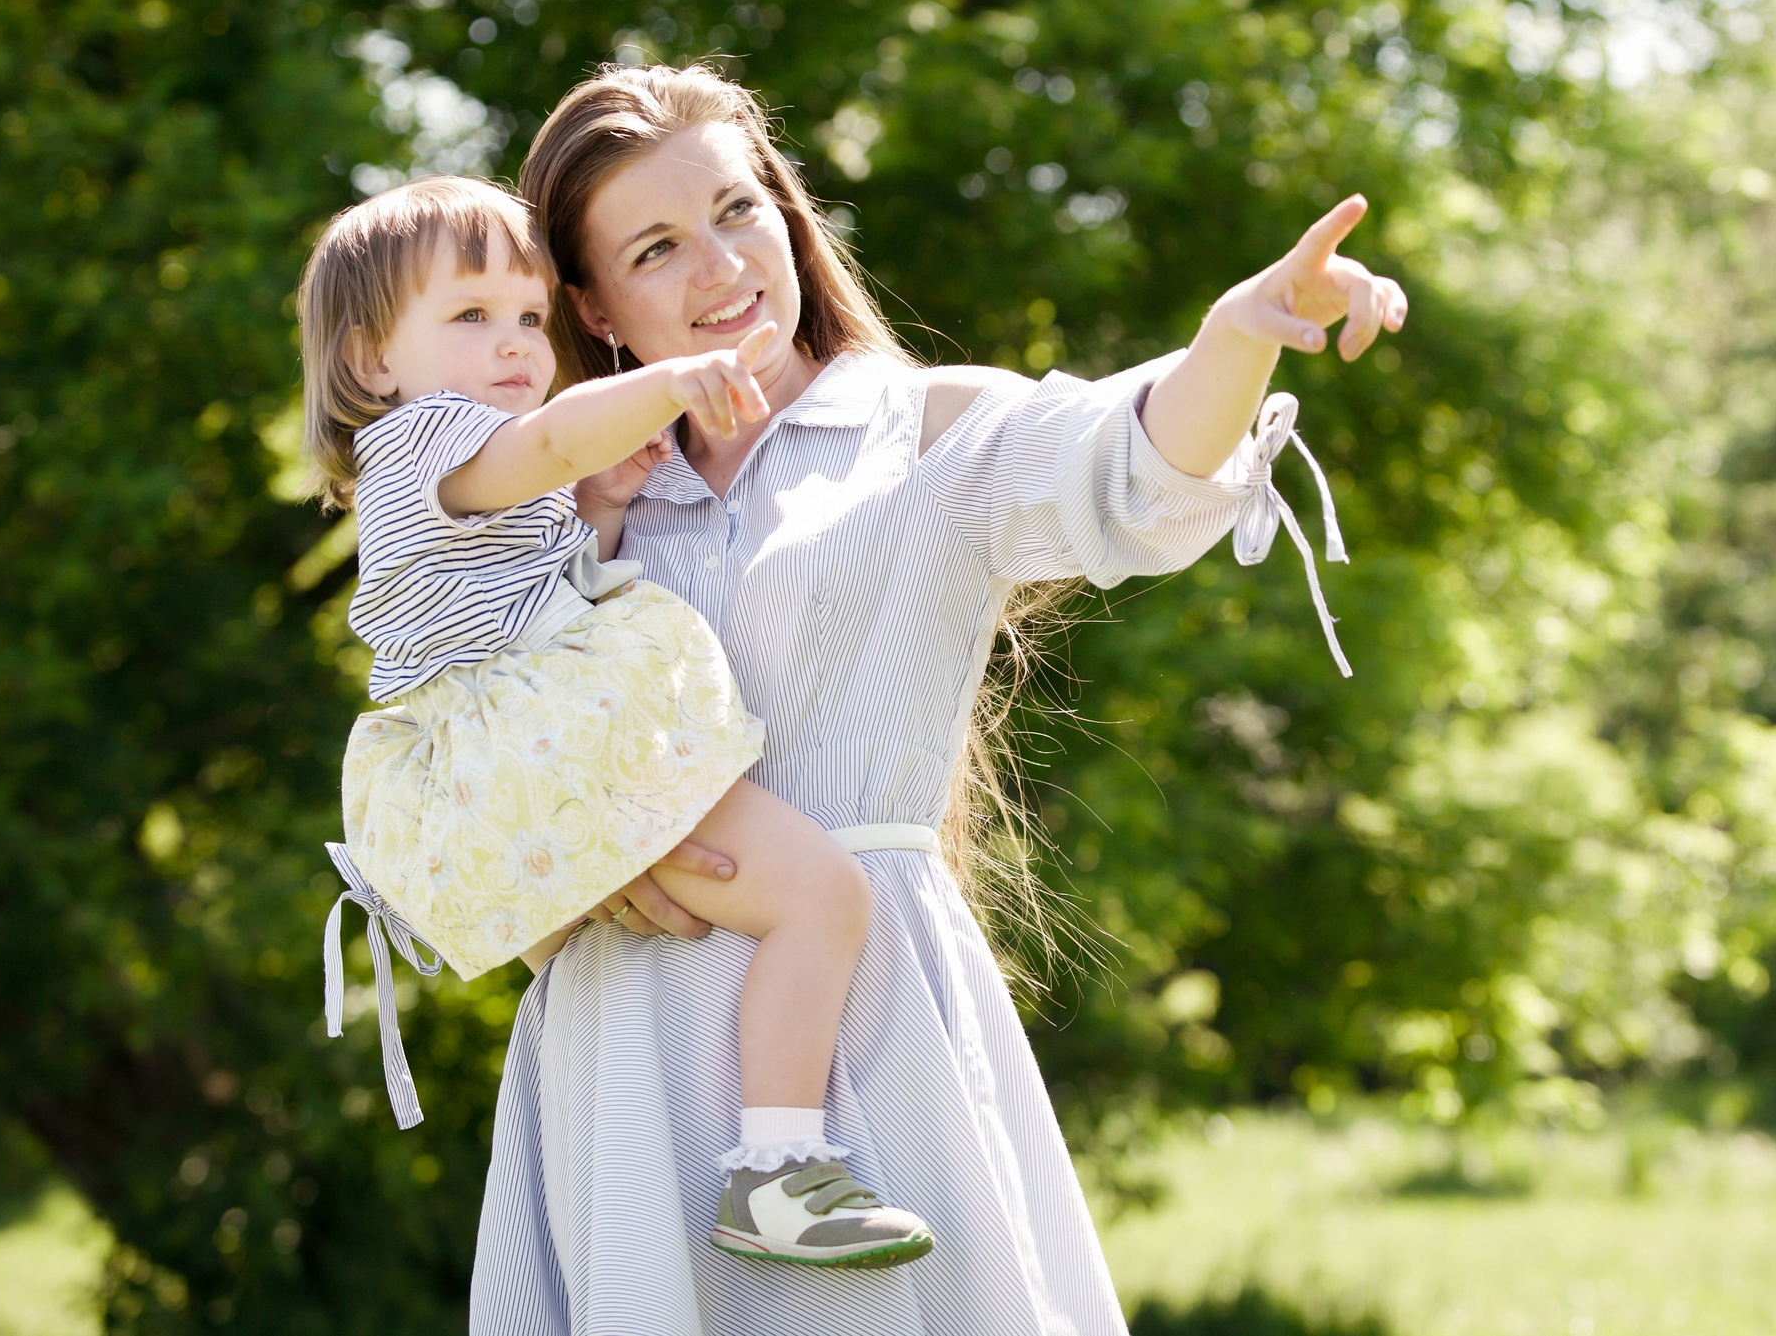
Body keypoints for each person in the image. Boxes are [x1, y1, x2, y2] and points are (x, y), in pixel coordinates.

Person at [470, 64, 1407, 1334]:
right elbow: (457, 746)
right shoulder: (555, 508)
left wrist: (1237, 333)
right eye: (657, 246)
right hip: (620, 1042)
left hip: (867, 1025)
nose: (720, 266)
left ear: (789, 218)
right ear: (593, 302)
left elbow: (1135, 464)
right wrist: (564, 867)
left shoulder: (924, 431)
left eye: (741, 212)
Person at [297, 176, 935, 1267]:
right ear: (370, 363)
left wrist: (597, 506)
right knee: (823, 894)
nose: (513, 346)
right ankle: (777, 1171)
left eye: (529, 318)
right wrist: (669, 386)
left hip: (502, 770)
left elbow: (535, 538)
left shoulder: (442, 468)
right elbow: (547, 445)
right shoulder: (422, 437)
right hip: (540, 752)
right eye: (469, 317)